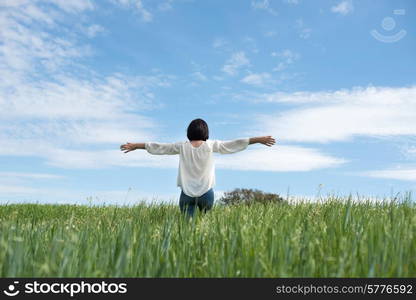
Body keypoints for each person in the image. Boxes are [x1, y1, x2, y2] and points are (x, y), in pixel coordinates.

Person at [120, 118, 276, 217]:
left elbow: (159, 147)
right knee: (204, 225)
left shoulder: (182, 146)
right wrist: (257, 139)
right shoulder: (211, 145)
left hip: (186, 194)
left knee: (187, 229)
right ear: (206, 133)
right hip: (206, 193)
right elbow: (234, 143)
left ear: (189, 133)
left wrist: (136, 146)